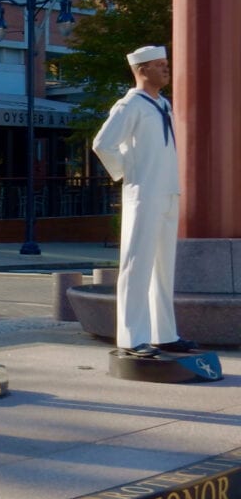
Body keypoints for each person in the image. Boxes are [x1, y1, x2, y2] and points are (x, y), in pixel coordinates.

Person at [92, 45, 196, 358]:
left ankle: (164, 333)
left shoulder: (163, 104)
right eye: (159, 65)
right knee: (137, 265)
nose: (166, 69)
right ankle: (131, 337)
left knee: (164, 267)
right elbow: (102, 143)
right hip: (144, 194)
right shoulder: (129, 105)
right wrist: (129, 170)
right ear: (142, 70)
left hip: (167, 192)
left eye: (166, 64)